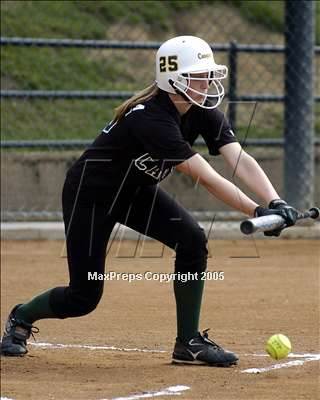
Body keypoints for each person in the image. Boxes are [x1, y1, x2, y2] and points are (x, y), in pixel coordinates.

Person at [1, 36, 299, 366]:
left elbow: (238, 158)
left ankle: (188, 342)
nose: (208, 82)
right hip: (91, 195)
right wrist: (256, 211)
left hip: (135, 193)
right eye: (199, 76)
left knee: (192, 240)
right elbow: (208, 178)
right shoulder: (151, 118)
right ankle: (21, 317)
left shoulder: (202, 109)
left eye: (208, 75)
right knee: (83, 297)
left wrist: (275, 201)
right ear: (174, 79)